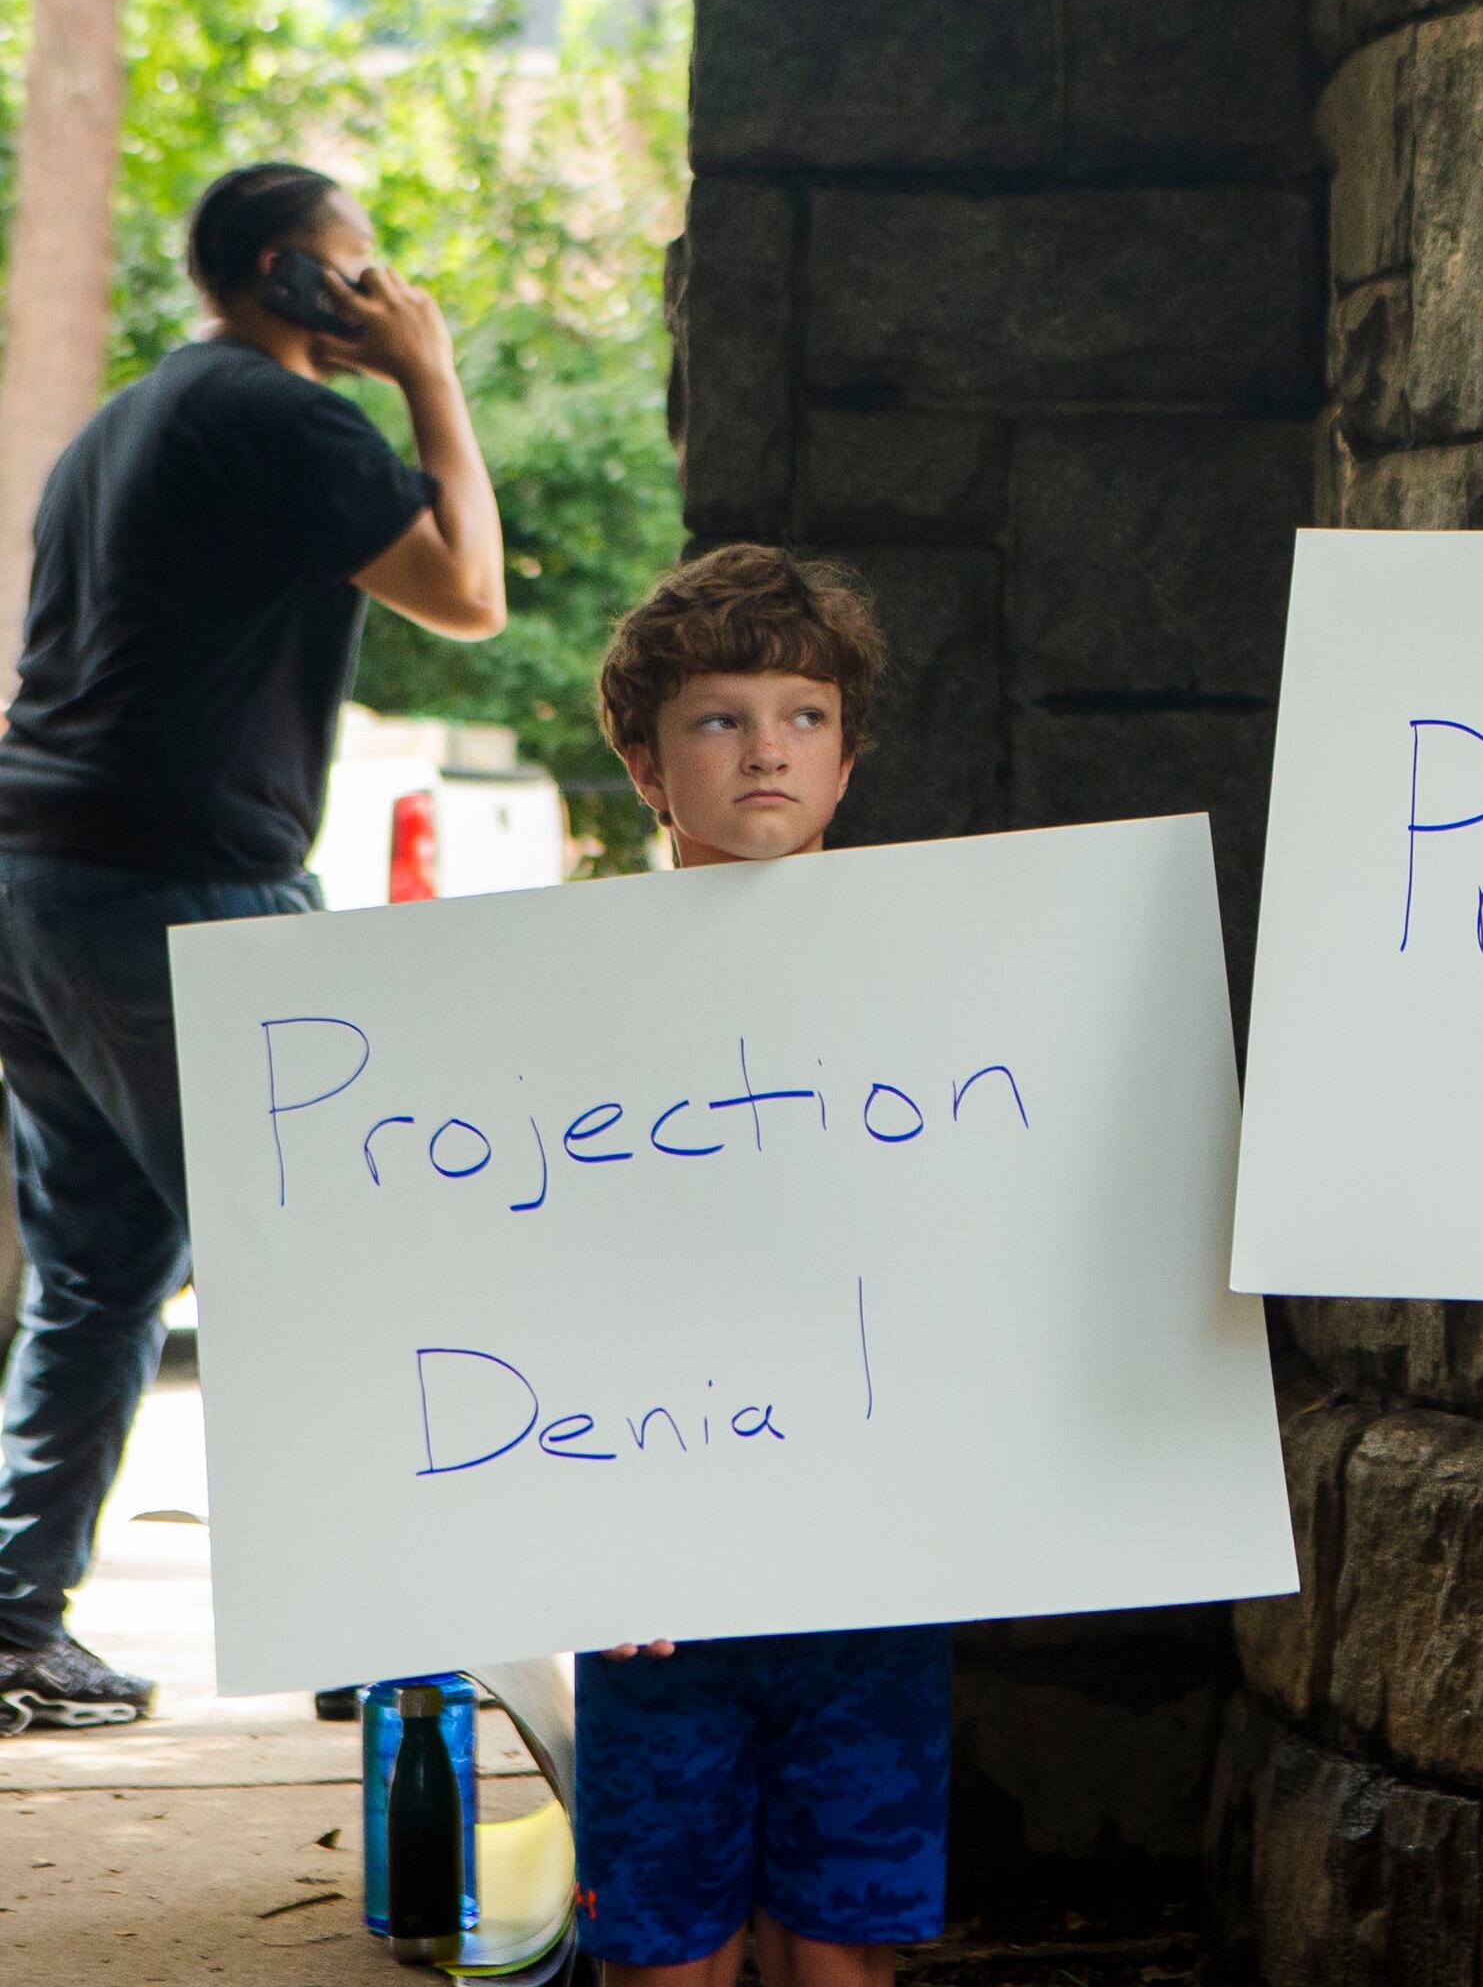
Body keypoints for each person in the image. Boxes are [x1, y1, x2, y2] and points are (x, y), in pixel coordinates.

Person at [0, 163, 505, 1730]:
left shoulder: (130, 423)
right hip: (177, 894)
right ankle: (370, 1634)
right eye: (363, 272)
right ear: (293, 278)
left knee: (97, 1269)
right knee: (320, 1255)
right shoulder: (282, 419)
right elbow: (471, 594)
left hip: (38, 887)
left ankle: (14, 1623)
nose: (385, 293)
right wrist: (430, 378)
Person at [570, 544, 950, 1987]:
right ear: (648, 763)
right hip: (651, 1586)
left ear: (849, 761)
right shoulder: (550, 1003)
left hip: (872, 1569)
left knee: (841, 1956)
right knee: (666, 1961)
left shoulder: (946, 997)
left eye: (802, 715)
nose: (766, 750)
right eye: (720, 719)